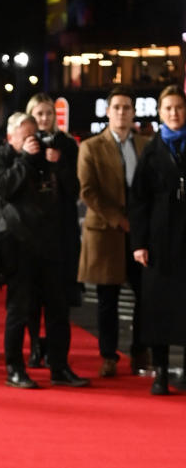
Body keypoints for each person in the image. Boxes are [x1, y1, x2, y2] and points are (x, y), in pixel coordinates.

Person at [0, 111, 89, 388]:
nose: (34, 141)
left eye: (36, 135)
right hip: (18, 245)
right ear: (12, 137)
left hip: (51, 244)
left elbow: (73, 190)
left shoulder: (47, 157)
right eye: (27, 136)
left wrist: (58, 165)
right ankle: (14, 369)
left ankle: (59, 366)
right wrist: (26, 159)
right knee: (19, 311)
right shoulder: (0, 158)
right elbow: (4, 188)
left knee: (58, 309)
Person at [77, 87, 150, 377]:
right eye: (116, 107)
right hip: (107, 230)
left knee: (144, 295)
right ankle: (108, 355)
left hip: (140, 233)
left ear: (133, 112)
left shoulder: (146, 145)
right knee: (107, 299)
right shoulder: (91, 147)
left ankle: (140, 352)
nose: (121, 112)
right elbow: (88, 192)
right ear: (108, 112)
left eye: (127, 107)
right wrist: (120, 219)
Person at [130, 85, 186, 395]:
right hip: (159, 241)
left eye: (179, 107)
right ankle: (161, 372)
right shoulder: (151, 151)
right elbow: (138, 200)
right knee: (158, 309)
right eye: (168, 109)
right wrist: (139, 243)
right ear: (160, 113)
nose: (174, 113)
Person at [23, 93, 81, 367]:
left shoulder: (68, 145)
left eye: (48, 113)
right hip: (33, 233)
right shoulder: (25, 145)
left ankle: (58, 354)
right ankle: (35, 345)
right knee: (32, 298)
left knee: (60, 299)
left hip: (62, 232)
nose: (44, 119)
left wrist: (58, 163)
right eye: (38, 114)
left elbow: (74, 190)